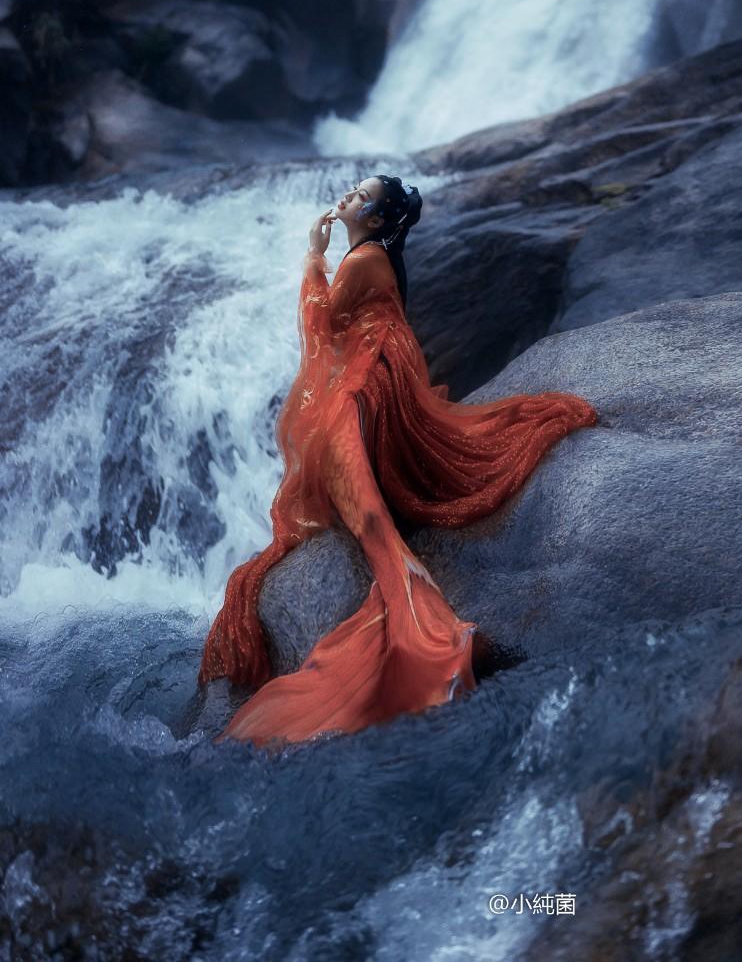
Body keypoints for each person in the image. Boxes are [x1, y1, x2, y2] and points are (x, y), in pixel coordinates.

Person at [197, 174, 598, 749]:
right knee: (361, 508)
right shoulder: (371, 254)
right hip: (379, 373)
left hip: (366, 387)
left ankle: (430, 637)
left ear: (379, 221)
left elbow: (322, 327)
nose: (348, 199)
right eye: (354, 191)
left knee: (368, 521)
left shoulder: (360, 260)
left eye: (360, 199)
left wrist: (313, 259)